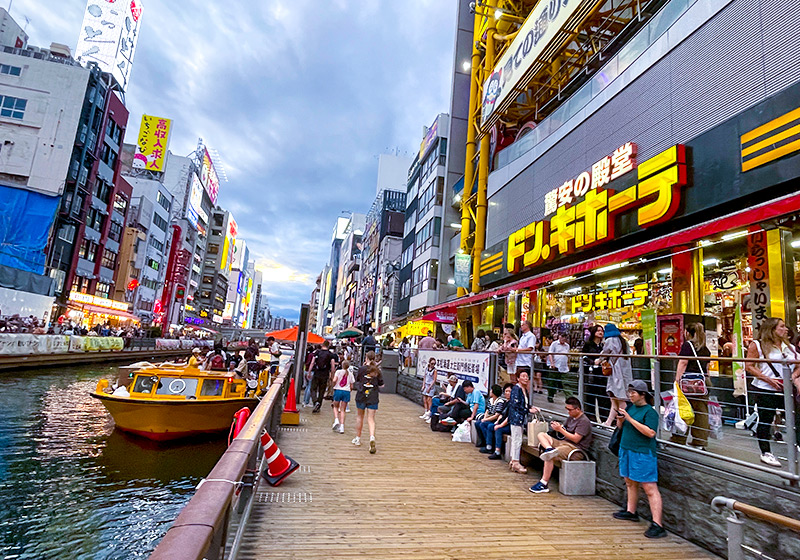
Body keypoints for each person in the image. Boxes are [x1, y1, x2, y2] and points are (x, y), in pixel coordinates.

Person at [613, 380, 666, 539]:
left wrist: (629, 419)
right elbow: (621, 427)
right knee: (629, 481)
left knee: (649, 487)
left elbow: (650, 433)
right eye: (629, 392)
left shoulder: (650, 412)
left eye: (633, 392)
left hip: (642, 452)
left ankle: (658, 524)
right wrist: (620, 420)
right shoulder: (630, 408)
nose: (630, 395)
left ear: (642, 394)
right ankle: (631, 510)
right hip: (626, 448)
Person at [745, 317, 800, 467]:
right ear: (772, 329)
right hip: (765, 388)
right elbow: (749, 366)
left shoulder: (788, 346)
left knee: (796, 417)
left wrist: (793, 377)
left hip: (787, 388)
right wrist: (768, 379)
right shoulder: (757, 345)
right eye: (781, 327)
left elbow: (798, 364)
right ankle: (766, 452)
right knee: (765, 419)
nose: (785, 329)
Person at [529, 396, 594, 493]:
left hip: (575, 448)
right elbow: (564, 430)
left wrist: (560, 430)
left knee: (549, 456)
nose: (568, 412)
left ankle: (543, 483)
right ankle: (549, 448)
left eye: (570, 409)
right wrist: (557, 428)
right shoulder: (571, 418)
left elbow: (576, 439)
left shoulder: (584, 421)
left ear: (578, 409)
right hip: (563, 442)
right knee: (541, 435)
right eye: (566, 409)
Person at [671, 323, 711, 450]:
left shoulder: (688, 345)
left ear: (688, 333)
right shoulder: (705, 348)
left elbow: (683, 362)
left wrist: (677, 380)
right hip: (702, 382)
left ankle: (679, 438)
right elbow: (707, 368)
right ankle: (700, 441)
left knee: (684, 408)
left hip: (688, 382)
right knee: (701, 411)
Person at [599, 323, 633, 426]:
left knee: (619, 399)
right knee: (615, 398)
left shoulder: (610, 340)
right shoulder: (624, 341)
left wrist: (599, 360)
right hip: (624, 372)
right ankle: (609, 422)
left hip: (616, 373)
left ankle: (625, 423)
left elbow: (604, 354)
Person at [353, 353, 384, 453]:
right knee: (371, 419)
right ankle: (372, 437)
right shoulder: (377, 371)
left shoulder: (361, 369)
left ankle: (358, 438)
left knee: (359, 417)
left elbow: (357, 380)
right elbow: (382, 384)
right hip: (373, 396)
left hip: (361, 395)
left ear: (366, 358)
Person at [508, 370, 536, 473]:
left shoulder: (524, 390)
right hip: (516, 418)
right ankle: (515, 462)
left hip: (520, 418)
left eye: (527, 376)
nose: (525, 378)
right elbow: (516, 405)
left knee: (517, 438)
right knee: (517, 439)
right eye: (523, 376)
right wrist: (528, 410)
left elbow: (523, 404)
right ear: (518, 378)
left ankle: (513, 460)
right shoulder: (516, 389)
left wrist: (531, 407)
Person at [582, 325, 610, 423]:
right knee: (590, 398)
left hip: (602, 374)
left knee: (603, 398)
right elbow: (583, 356)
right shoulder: (588, 344)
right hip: (591, 374)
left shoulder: (603, 345)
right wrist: (593, 362)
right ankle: (591, 419)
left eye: (602, 331)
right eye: (598, 331)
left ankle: (604, 419)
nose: (600, 332)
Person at [477, 384, 510, 453]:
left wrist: (496, 423)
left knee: (488, 426)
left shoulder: (500, 402)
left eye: (509, 391)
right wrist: (485, 417)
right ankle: (485, 442)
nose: (490, 392)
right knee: (478, 423)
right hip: (495, 420)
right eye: (506, 391)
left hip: (497, 421)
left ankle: (490, 445)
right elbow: (487, 410)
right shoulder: (491, 400)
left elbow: (497, 415)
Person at [309, 340, 337, 413]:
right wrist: (332, 375)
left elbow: (312, 362)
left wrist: (309, 372)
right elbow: (333, 366)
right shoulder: (331, 355)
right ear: (328, 346)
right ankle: (318, 405)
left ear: (322, 345)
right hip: (325, 374)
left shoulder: (317, 352)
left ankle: (315, 402)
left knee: (313, 389)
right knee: (322, 391)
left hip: (317, 373)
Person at [547, 332, 572, 404]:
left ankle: (569, 398)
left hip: (564, 367)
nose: (563, 338)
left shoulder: (567, 346)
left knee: (566, 383)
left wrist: (568, 364)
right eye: (562, 336)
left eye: (565, 337)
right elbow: (550, 354)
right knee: (552, 383)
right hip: (555, 366)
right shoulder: (554, 344)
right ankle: (550, 396)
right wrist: (552, 363)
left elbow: (568, 356)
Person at [331, 359, 355, 434]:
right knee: (343, 410)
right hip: (346, 391)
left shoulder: (338, 372)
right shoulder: (350, 374)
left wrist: (333, 384)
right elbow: (351, 386)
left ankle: (336, 419)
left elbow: (334, 380)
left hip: (338, 390)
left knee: (335, 406)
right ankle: (342, 427)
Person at [517, 321, 539, 392]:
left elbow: (530, 348)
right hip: (520, 361)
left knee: (526, 380)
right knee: (520, 380)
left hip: (526, 361)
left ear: (527, 326)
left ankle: (528, 398)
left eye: (523, 325)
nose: (521, 326)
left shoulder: (531, 336)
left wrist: (518, 350)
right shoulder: (523, 336)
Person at [420, 357, 437, 422]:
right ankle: (425, 411)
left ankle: (429, 414)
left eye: (434, 364)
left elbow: (434, 379)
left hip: (431, 386)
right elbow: (425, 377)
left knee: (429, 400)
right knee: (424, 399)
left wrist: (430, 387)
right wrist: (423, 385)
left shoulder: (435, 370)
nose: (433, 365)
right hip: (426, 384)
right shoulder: (426, 368)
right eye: (432, 363)